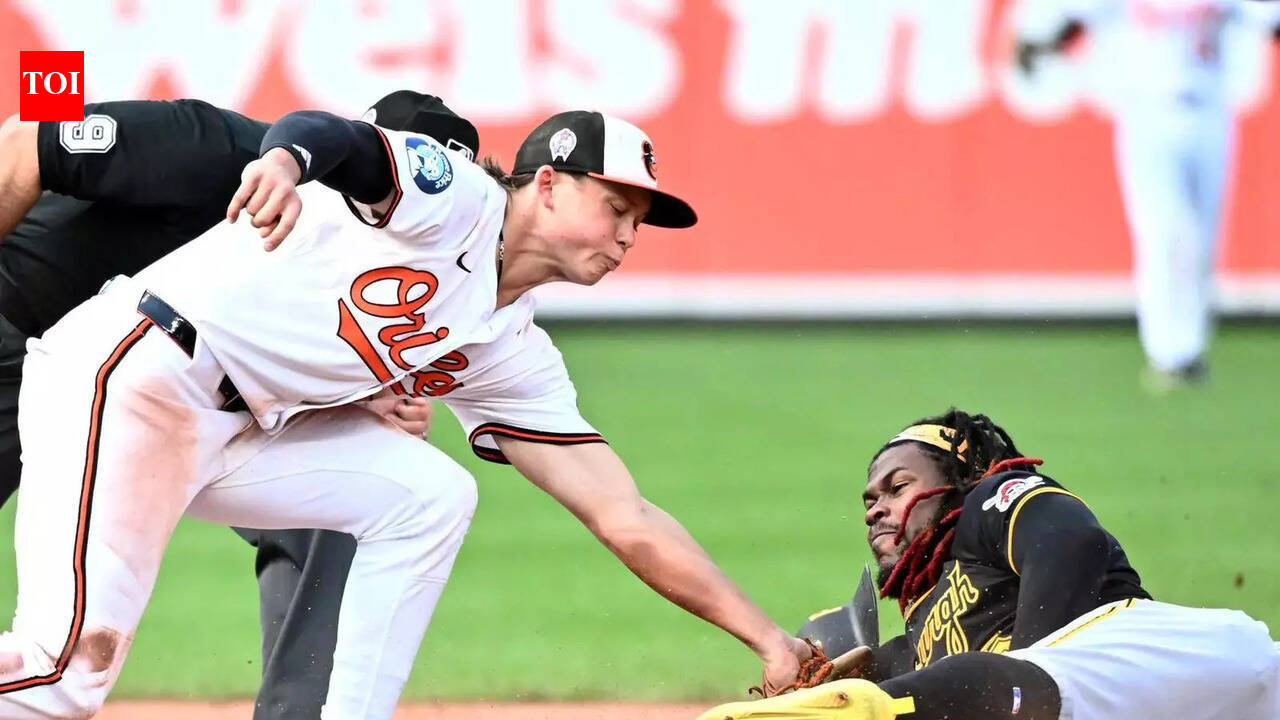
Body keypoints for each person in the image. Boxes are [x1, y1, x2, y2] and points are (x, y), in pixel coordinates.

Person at [0, 107, 812, 719]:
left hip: (229, 428)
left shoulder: (508, 349)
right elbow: (338, 138)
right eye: (618, 206)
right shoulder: (456, 195)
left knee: (431, 496)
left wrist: (770, 640)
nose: (630, 234)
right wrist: (286, 159)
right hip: (131, 371)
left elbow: (623, 514)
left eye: (641, 220)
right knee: (63, 676)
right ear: (550, 185)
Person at [0, 94, 473, 719]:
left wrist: (368, 405)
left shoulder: (372, 269)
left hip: (163, 401)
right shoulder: (214, 148)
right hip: (22, 330)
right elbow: (23, 142)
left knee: (352, 500)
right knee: (55, 667)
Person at [699, 409, 1279, 719]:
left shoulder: (992, 502)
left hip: (1168, 658)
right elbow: (935, 680)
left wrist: (1030, 666)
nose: (877, 509)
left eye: (898, 486)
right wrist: (849, 673)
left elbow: (1072, 544)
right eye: (869, 501)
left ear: (959, 481)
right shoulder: (931, 627)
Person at [1014, 0, 1280, 392]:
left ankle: (1190, 350)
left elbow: (1267, 19)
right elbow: (1078, 19)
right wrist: (1040, 45)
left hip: (1209, 113)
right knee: (1162, 233)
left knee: (1203, 240)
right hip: (1147, 117)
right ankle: (1165, 352)